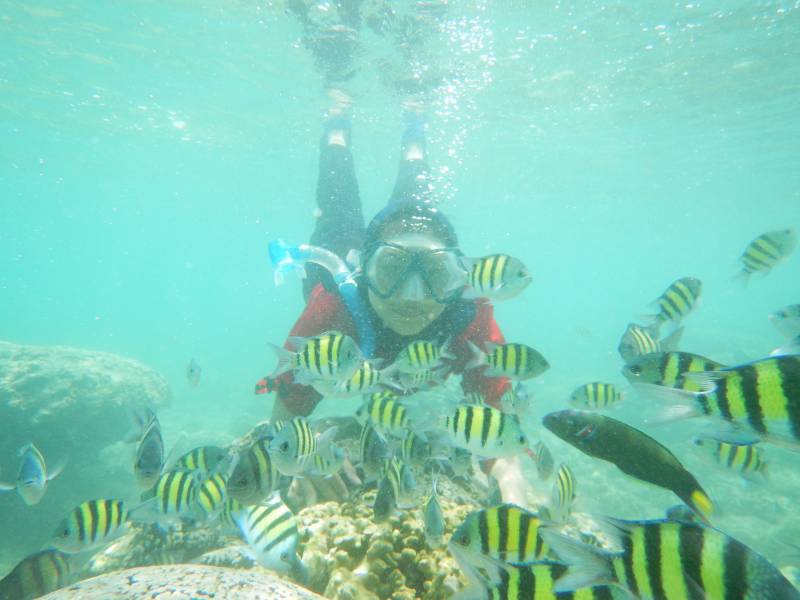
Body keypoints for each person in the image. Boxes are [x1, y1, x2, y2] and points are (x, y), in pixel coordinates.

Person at [263, 95, 530, 508]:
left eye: (435, 273)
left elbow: (500, 418)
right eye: (391, 269)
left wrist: (510, 471)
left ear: (459, 275)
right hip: (339, 252)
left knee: (417, 192)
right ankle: (336, 124)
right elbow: (285, 412)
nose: (413, 296)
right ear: (365, 269)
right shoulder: (334, 311)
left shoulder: (466, 315)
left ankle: (414, 130)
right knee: (338, 197)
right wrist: (300, 461)